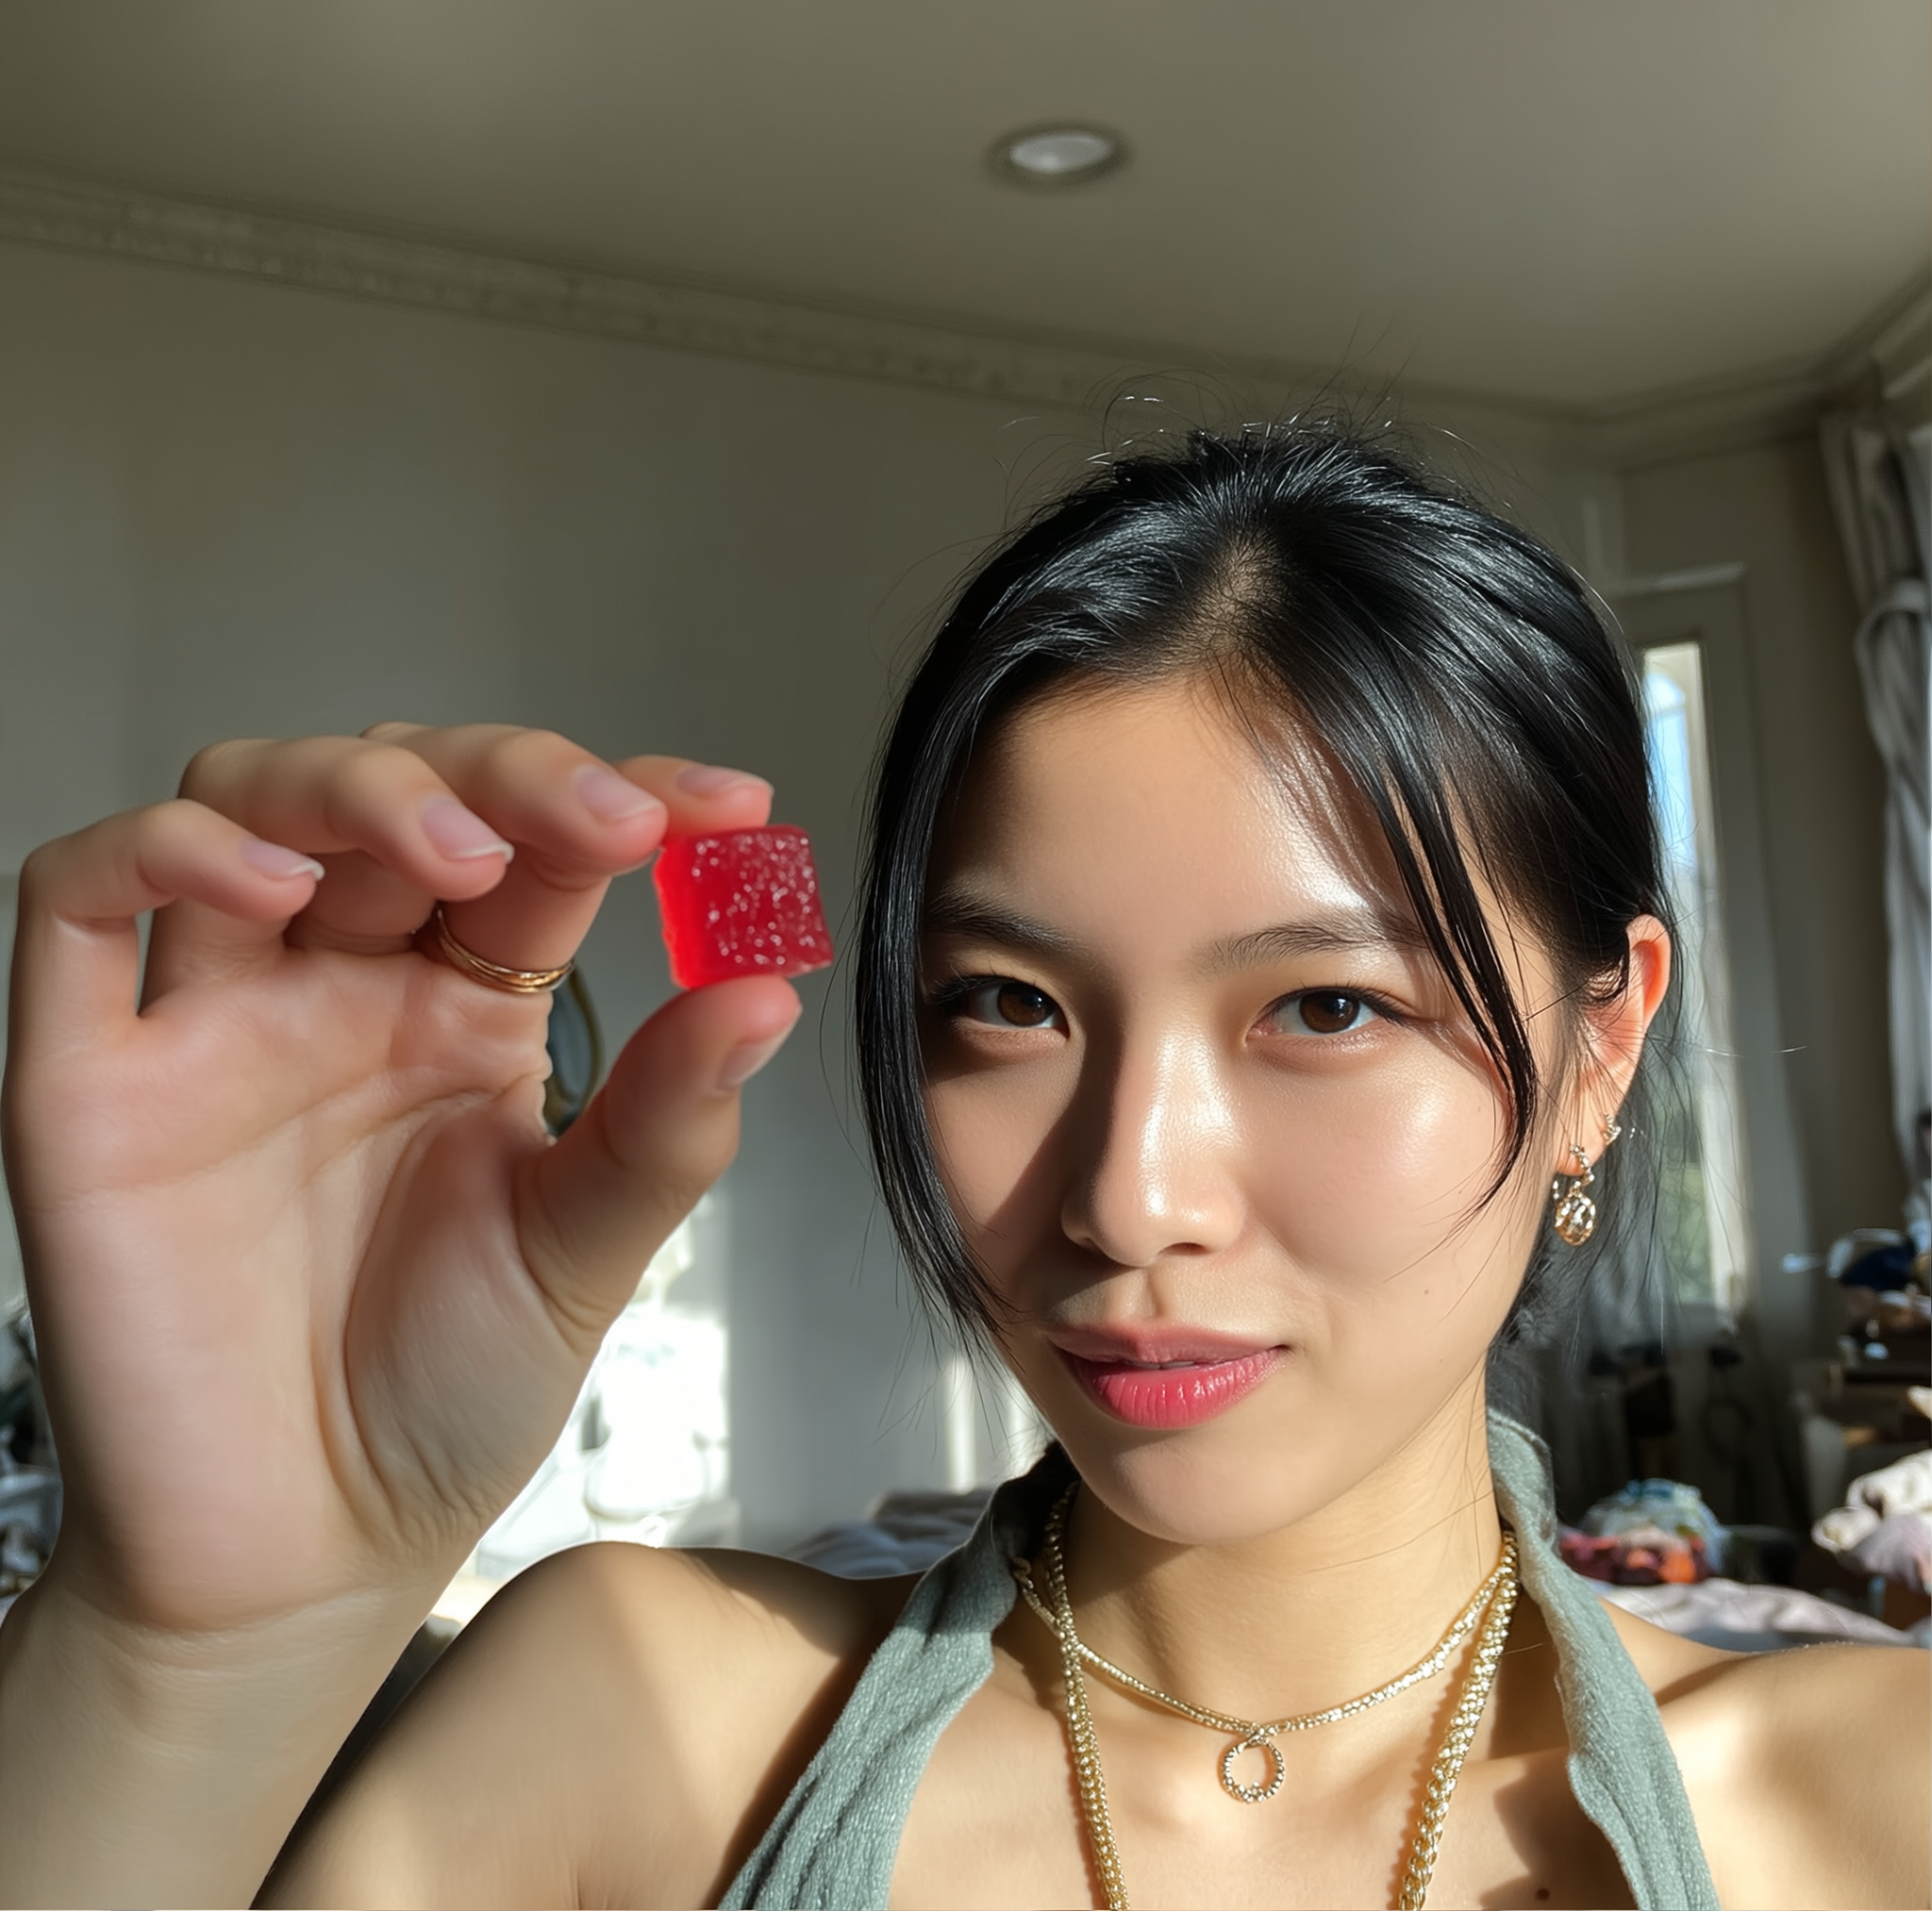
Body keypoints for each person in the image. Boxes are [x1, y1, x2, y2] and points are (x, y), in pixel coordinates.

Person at [0, 426, 1923, 1911]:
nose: (1128, 1198)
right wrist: (188, 1638)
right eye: (1008, 1004)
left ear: (1603, 1048)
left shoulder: (1876, 1804)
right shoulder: (631, 1733)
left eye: (1325, 1008)